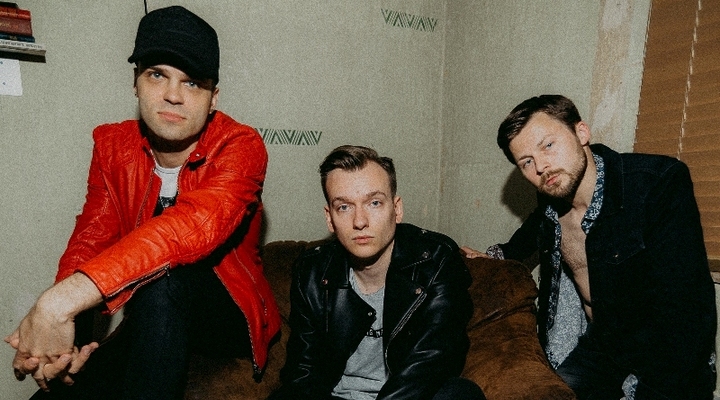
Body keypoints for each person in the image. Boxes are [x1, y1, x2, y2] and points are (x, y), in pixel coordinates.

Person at [5, 6, 281, 399]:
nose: (173, 95)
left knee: (164, 279)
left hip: (227, 311)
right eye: (157, 74)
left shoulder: (241, 146)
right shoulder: (112, 146)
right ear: (135, 82)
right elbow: (91, 237)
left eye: (192, 83)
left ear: (213, 99)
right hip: (153, 310)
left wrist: (58, 302)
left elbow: (189, 229)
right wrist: (69, 335)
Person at [463, 94, 716, 399]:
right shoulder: (552, 196)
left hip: (666, 352)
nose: (541, 166)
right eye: (526, 161)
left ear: (581, 132)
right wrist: (493, 257)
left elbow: (688, 315)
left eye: (548, 145)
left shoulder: (657, 184)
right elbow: (529, 233)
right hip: (602, 346)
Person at [268, 145, 485, 400]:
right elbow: (302, 373)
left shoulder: (435, 259)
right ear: (329, 218)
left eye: (374, 203)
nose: (360, 221)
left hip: (407, 395)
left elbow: (433, 358)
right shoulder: (312, 271)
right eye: (344, 207)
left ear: (397, 209)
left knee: (460, 394)